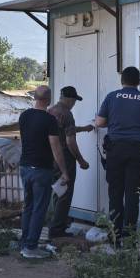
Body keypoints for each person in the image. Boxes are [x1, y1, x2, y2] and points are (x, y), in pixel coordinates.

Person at [95, 67, 140, 239]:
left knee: (115, 193)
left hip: (115, 150)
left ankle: (114, 236)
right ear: (138, 82)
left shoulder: (112, 97)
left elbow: (100, 122)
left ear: (122, 81)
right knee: (132, 194)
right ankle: (130, 236)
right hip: (136, 150)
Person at [19, 85, 70, 258]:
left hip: (25, 167)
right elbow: (56, 148)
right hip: (41, 169)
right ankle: (31, 248)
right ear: (48, 100)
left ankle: (24, 242)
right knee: (39, 209)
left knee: (28, 206)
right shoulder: (49, 121)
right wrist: (64, 171)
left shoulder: (24, 116)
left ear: (34, 97)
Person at [47, 86, 94, 238]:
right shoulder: (67, 114)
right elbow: (70, 141)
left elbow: (65, 130)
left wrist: (84, 128)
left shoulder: (51, 111)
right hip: (65, 158)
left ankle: (55, 223)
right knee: (65, 194)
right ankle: (58, 230)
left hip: (52, 157)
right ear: (69, 99)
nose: (74, 103)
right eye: (74, 100)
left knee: (58, 191)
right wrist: (81, 160)